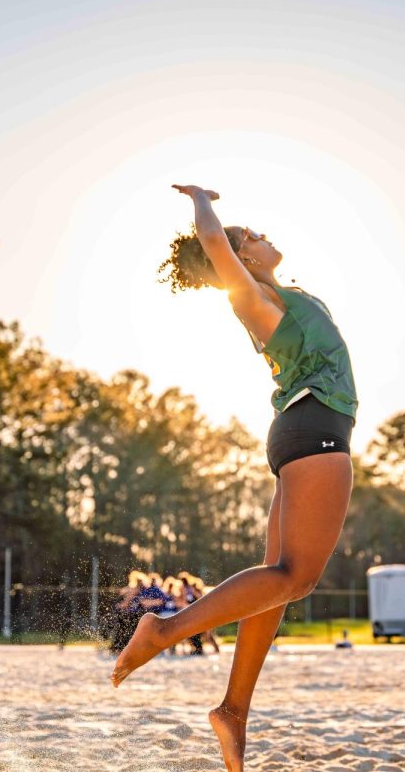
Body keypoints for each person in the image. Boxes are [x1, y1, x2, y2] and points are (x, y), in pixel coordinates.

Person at [114, 185, 357, 772]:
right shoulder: (250, 298)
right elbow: (212, 238)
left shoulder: (276, 294)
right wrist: (201, 200)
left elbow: (221, 245)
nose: (261, 236)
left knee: (275, 585)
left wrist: (219, 227)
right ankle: (163, 629)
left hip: (302, 430)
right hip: (314, 430)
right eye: (250, 236)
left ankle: (233, 710)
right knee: (293, 577)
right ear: (241, 258)